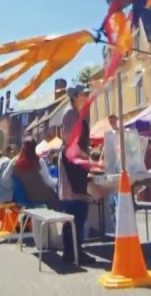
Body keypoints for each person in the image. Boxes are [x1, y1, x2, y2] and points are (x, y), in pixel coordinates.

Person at [57, 84, 108, 265]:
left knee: (76, 209)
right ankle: (74, 251)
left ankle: (72, 251)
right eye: (84, 94)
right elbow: (71, 141)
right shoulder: (71, 114)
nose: (87, 97)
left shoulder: (74, 113)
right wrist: (86, 158)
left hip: (74, 162)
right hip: (73, 164)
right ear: (76, 96)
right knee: (77, 207)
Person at [11, 139, 60, 208]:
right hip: (44, 197)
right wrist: (59, 181)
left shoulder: (15, 164)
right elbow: (49, 182)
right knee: (64, 202)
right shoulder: (38, 161)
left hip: (29, 198)